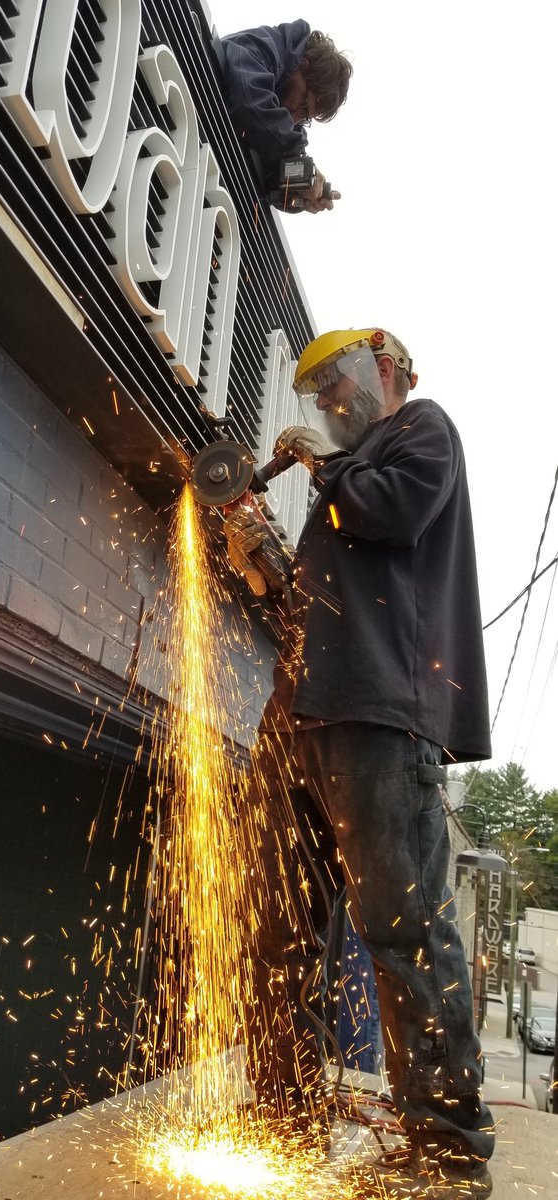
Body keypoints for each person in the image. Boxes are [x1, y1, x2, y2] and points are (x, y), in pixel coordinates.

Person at [225, 329, 495, 1197]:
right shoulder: (343, 483)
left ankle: (445, 1146)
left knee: (404, 932)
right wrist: (263, 564)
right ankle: (286, 1117)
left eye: (335, 387)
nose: (328, 407)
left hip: (380, 718)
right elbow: (316, 605)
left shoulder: (420, 432)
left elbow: (394, 512)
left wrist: (322, 470)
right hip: (298, 716)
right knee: (274, 927)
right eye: (315, 399)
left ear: (384, 369)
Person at [216, 20, 352, 213]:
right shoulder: (263, 47)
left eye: (306, 118)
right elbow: (250, 100)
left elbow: (270, 176)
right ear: (303, 66)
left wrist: (301, 188)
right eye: (304, 106)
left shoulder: (285, 128)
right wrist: (298, 157)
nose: (295, 119)